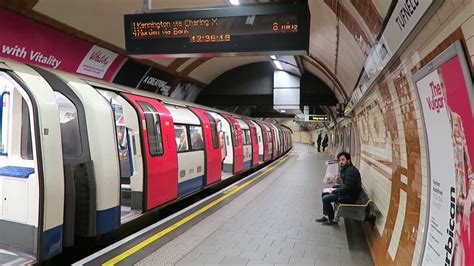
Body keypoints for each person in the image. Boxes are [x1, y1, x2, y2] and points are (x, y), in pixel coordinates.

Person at [316, 151, 362, 225]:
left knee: (326, 198)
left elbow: (348, 187)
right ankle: (326, 216)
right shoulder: (346, 169)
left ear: (348, 160)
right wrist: (335, 187)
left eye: (343, 160)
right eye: (340, 160)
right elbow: (345, 185)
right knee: (324, 193)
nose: (341, 162)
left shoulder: (351, 171)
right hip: (346, 193)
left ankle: (331, 220)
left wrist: (335, 191)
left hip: (350, 197)